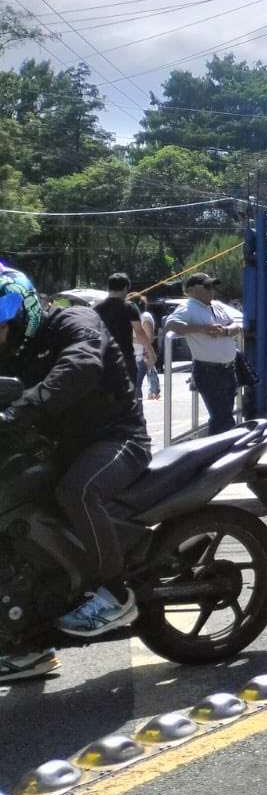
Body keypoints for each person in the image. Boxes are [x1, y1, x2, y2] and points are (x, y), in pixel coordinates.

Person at [0, 263, 151, 678]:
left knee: (76, 492)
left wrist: (17, 413)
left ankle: (115, 592)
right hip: (57, 445)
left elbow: (80, 367)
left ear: (24, 311)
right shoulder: (15, 345)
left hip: (117, 439)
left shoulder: (75, 320)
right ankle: (29, 641)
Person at [163, 273, 242, 435]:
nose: (211, 290)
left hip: (227, 369)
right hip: (209, 371)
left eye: (212, 286)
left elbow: (237, 325)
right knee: (223, 418)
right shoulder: (187, 307)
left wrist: (226, 331)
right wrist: (202, 329)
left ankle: (215, 453)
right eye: (206, 286)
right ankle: (225, 452)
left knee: (221, 416)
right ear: (191, 290)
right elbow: (170, 325)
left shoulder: (216, 306)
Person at [92, 273, 151, 391]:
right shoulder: (129, 307)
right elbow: (139, 332)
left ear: (109, 288)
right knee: (128, 394)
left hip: (103, 358)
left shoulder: (97, 308)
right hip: (125, 358)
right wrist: (149, 351)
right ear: (125, 288)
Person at [133, 295, 161, 401]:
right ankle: (153, 391)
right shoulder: (137, 317)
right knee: (133, 386)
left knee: (135, 386)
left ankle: (138, 409)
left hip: (141, 356)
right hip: (135, 356)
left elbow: (149, 339)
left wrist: (127, 339)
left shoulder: (144, 317)